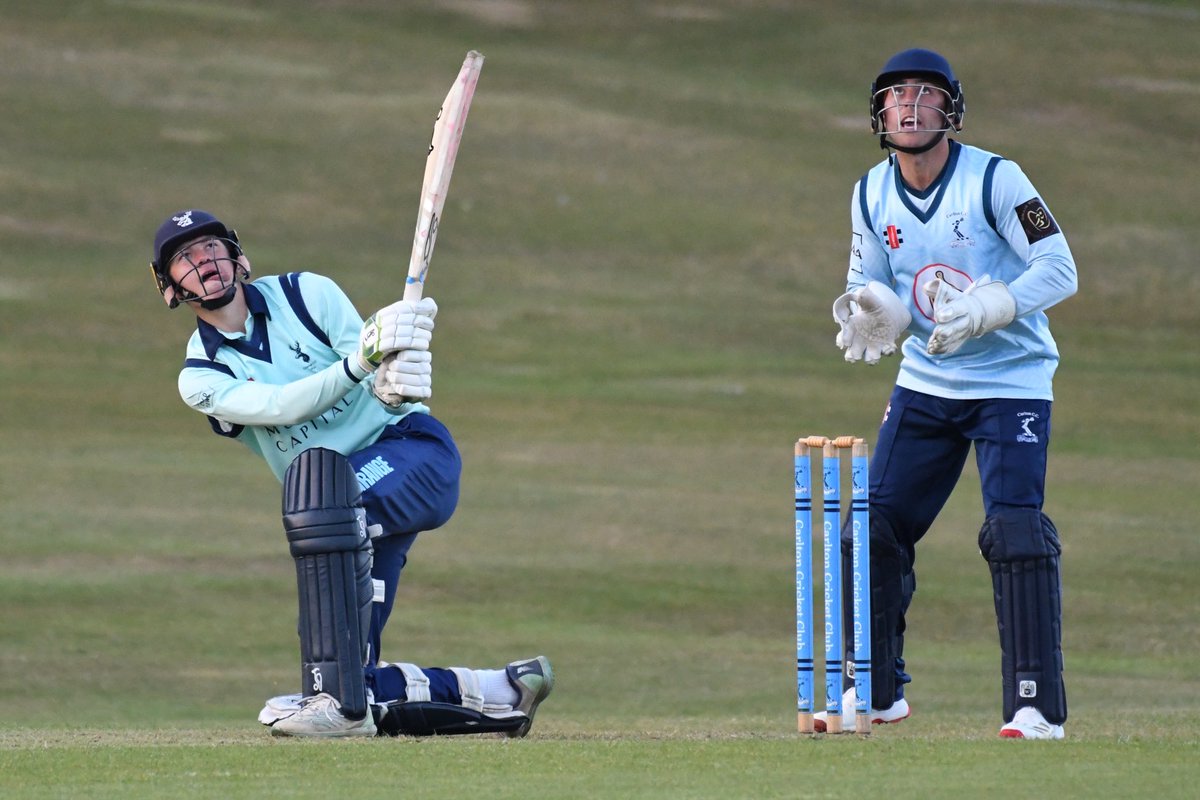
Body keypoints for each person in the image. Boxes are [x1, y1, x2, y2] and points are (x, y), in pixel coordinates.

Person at [149, 209, 554, 738]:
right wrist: (361, 365)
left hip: (411, 451)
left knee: (326, 504)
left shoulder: (306, 293)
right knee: (348, 676)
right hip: (341, 515)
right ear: (169, 286)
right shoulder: (201, 376)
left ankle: (337, 703)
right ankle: (502, 690)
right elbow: (282, 405)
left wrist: (395, 376)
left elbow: (371, 368)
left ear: (237, 255)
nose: (203, 260)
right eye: (185, 257)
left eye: (211, 246)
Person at [824, 49, 1077, 739]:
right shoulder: (870, 192)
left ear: (951, 109)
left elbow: (1060, 268)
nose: (909, 106)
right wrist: (873, 311)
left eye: (925, 93)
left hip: (1012, 380)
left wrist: (991, 307)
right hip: (928, 380)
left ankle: (1034, 706)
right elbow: (869, 280)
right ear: (879, 113)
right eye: (896, 95)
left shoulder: (995, 178)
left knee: (1016, 533)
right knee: (869, 529)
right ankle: (876, 693)